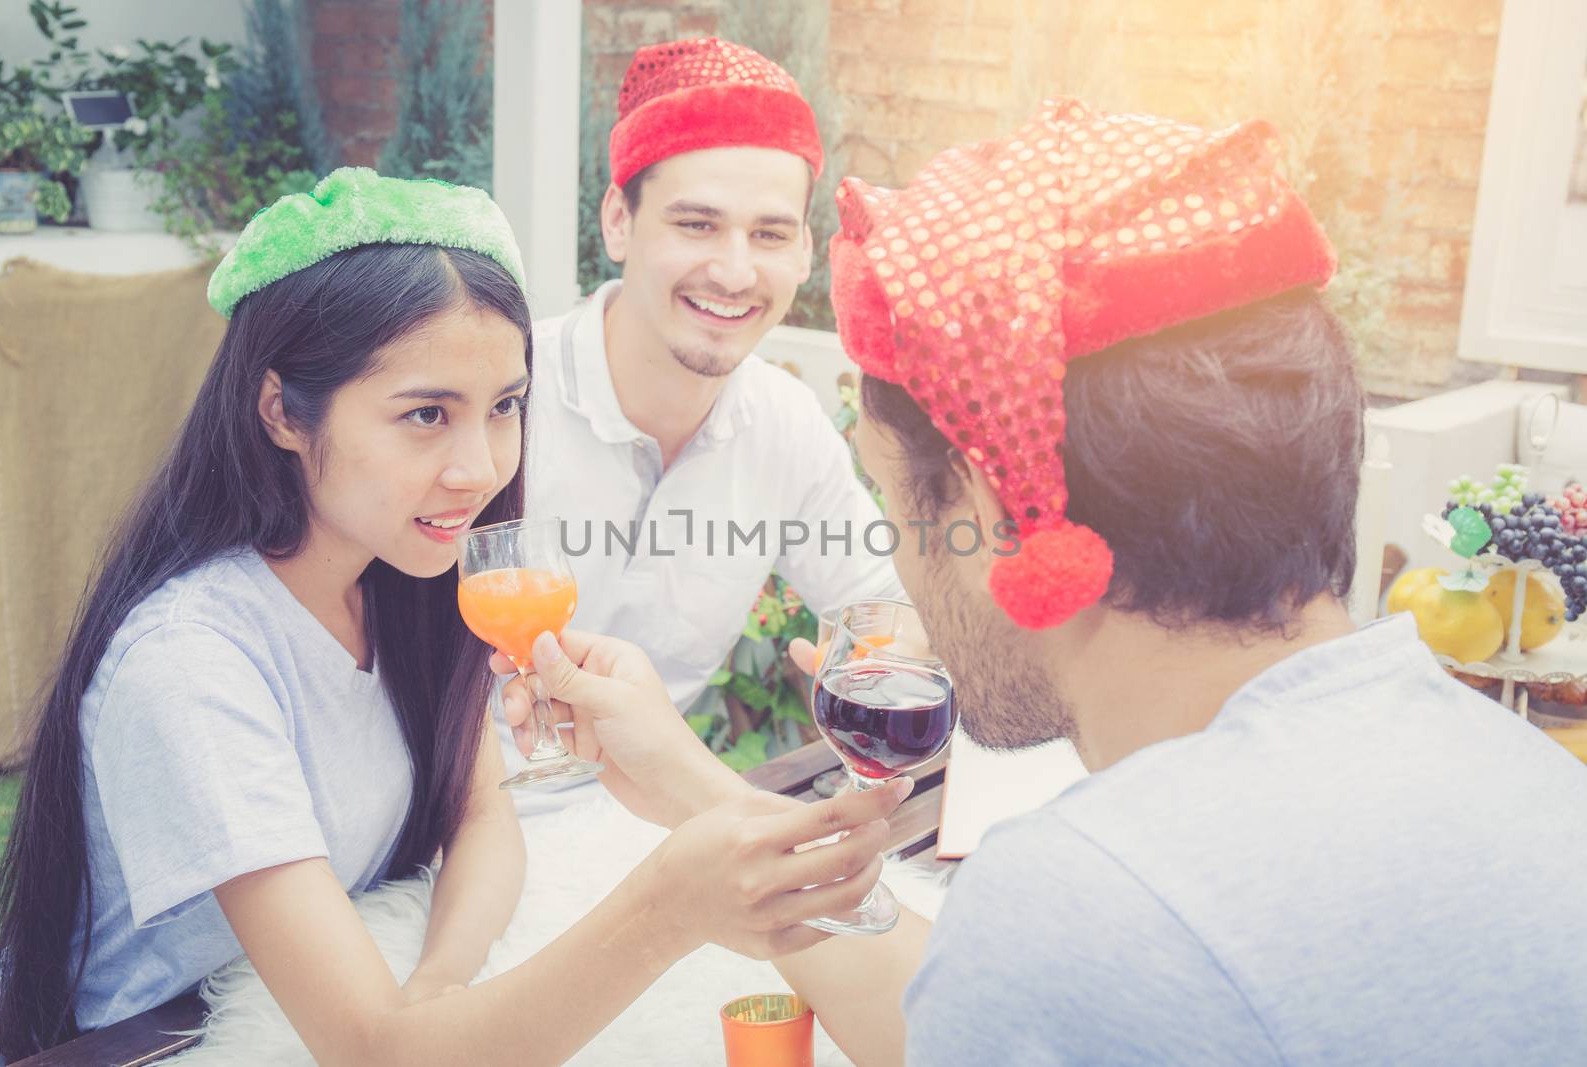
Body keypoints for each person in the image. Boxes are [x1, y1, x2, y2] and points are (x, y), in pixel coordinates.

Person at [517, 99, 1587, 1064]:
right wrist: (706, 796)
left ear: (989, 507)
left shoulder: (1080, 909)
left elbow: (1055, 967)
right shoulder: (1536, 783)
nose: (894, 564)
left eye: (896, 511)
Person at [0, 168, 907, 1063]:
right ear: (279, 409)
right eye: (427, 414)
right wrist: (663, 908)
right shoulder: (191, 663)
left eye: (505, 407)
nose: (482, 467)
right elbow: (374, 1053)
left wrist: (439, 981)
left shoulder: (405, 580)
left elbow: (480, 818)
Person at [524, 37, 902, 715]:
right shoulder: (505, 398)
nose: (734, 273)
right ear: (619, 221)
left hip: (655, 805)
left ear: (807, 251)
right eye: (697, 225)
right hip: (452, 803)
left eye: (769, 234)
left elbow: (886, 606)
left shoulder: (785, 424)